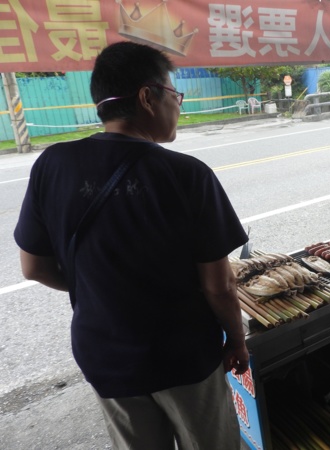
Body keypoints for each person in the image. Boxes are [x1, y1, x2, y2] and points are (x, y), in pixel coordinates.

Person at [14, 41, 250, 450]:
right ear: (147, 97)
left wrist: (103, 288)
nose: (179, 106)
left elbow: (33, 267)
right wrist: (237, 340)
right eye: (175, 94)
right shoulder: (187, 174)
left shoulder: (51, 165)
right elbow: (219, 286)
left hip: (105, 355)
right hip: (184, 355)